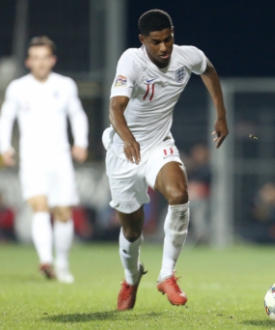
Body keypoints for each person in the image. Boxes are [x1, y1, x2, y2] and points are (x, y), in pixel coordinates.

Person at [103, 9, 228, 311]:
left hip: (158, 145)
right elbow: (115, 109)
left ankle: (166, 275)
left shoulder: (187, 56)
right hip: (124, 152)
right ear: (142, 40)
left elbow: (208, 69)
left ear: (173, 34)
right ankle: (131, 279)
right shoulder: (131, 61)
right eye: (156, 42)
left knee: (179, 194)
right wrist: (129, 139)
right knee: (133, 230)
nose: (163, 48)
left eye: (168, 39)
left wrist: (221, 115)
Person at [0, 36, 89, 283]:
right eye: (35, 58)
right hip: (32, 157)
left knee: (62, 212)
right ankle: (45, 260)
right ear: (29, 61)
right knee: (39, 205)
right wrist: (4, 147)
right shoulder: (18, 87)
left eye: (44, 58)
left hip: (60, 157)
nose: (40, 63)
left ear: (52, 60)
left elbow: (77, 114)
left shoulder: (65, 85)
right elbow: (6, 117)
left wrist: (80, 142)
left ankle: (61, 263)